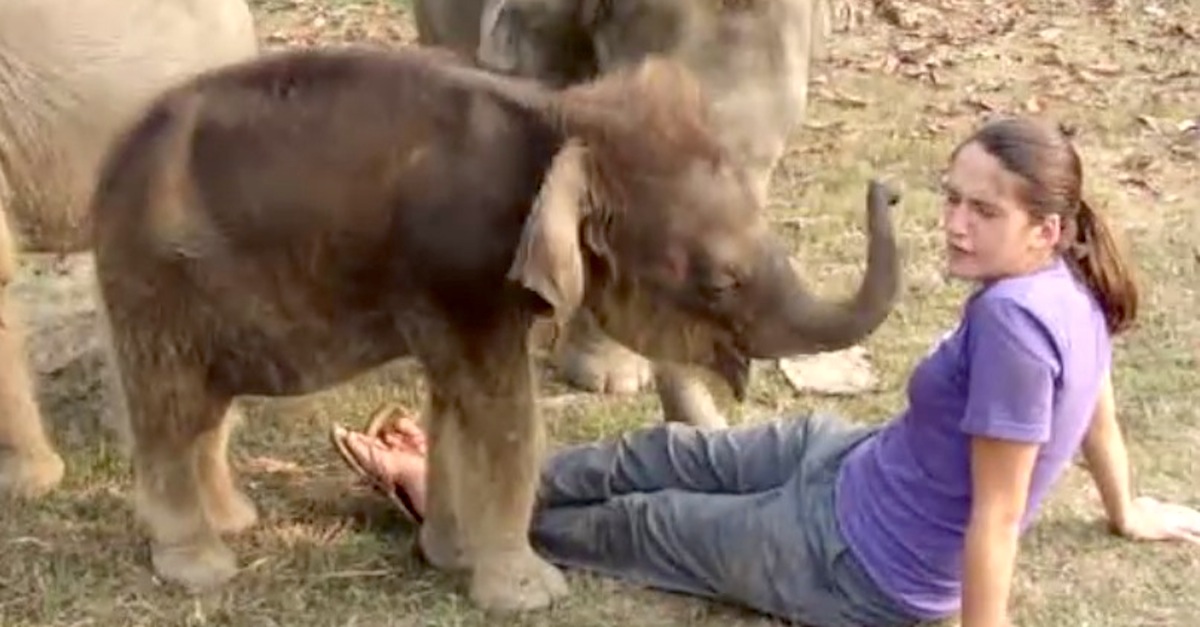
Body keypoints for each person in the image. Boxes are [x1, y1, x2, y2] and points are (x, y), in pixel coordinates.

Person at [328, 115, 1200, 627]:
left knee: (646, 521)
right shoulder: (1064, 281)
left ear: (1045, 228)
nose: (956, 223)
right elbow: (1097, 402)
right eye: (952, 196)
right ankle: (480, 476)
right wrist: (1125, 511)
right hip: (852, 461)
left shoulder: (1015, 321)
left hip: (857, 558)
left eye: (983, 209)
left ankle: (456, 507)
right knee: (657, 456)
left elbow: (999, 517)